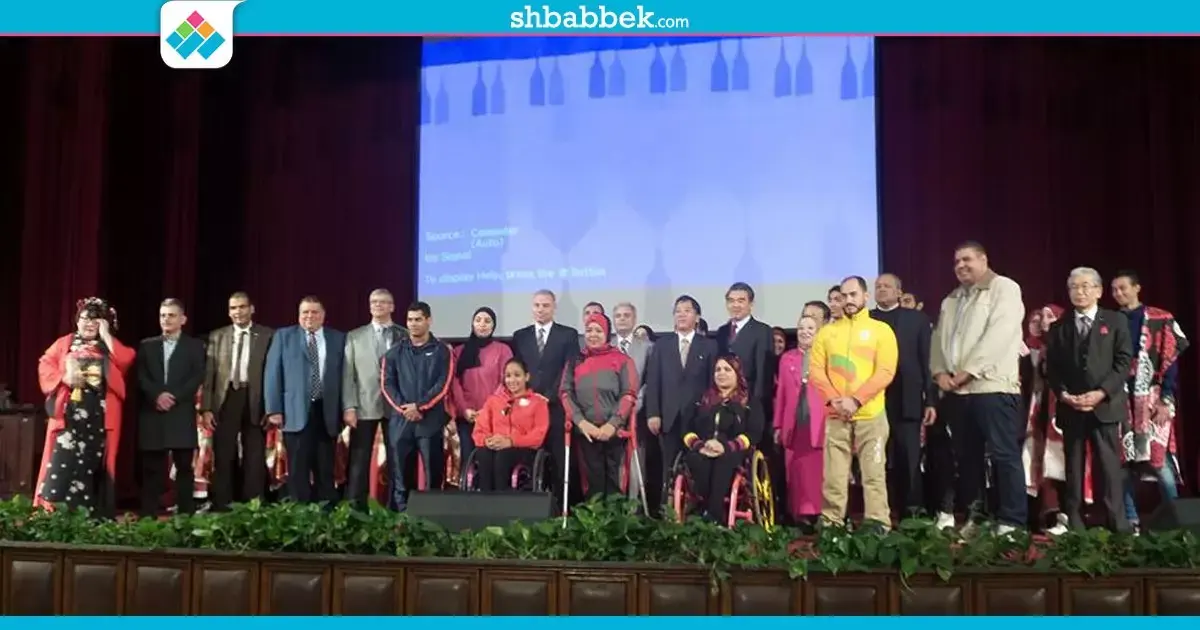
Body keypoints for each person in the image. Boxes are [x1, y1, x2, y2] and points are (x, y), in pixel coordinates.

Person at [929, 241, 1025, 534]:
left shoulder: (1004, 288)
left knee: (1003, 455)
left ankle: (1011, 521)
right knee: (967, 459)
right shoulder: (951, 299)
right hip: (958, 393)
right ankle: (977, 517)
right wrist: (939, 372)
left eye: (967, 259)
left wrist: (968, 372)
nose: (961, 266)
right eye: (957, 261)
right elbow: (938, 340)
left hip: (993, 388)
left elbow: (1000, 334)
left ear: (984, 259)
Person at [1044, 267, 1132, 533]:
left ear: (1098, 291)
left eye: (1085, 286)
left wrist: (1101, 392)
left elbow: (1123, 362)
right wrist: (1064, 395)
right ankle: (1075, 524)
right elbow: (1052, 369)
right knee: (1073, 467)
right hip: (1072, 407)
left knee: (1109, 467)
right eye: (1074, 287)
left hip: (1105, 406)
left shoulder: (1116, 321)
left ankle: (1116, 525)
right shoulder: (1059, 327)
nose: (1079, 292)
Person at [810, 276, 898, 529]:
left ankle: (877, 525)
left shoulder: (881, 331)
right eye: (844, 296)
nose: (848, 300)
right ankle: (832, 523)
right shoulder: (827, 333)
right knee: (834, 477)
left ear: (865, 296)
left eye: (853, 295)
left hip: (871, 414)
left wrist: (856, 400)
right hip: (836, 414)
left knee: (874, 474)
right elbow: (816, 371)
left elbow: (885, 371)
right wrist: (834, 400)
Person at [35, 298, 135, 516]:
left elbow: (127, 359)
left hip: (99, 415)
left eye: (95, 320)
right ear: (77, 321)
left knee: (94, 463)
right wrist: (64, 377)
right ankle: (53, 512)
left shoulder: (107, 347)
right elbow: (45, 363)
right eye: (85, 319)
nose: (89, 324)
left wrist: (106, 335)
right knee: (61, 460)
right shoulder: (65, 343)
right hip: (69, 414)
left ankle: (91, 514)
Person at [1111, 270, 1188, 531]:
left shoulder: (1159, 318)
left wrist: (1166, 397)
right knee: (1124, 462)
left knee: (1159, 461)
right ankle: (1131, 520)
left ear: (1137, 288)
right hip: (1121, 397)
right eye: (1114, 290)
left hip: (1152, 396)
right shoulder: (1110, 321)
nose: (1118, 293)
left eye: (1123, 288)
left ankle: (1177, 520)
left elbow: (1171, 361)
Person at [264, 296, 346, 505]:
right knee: (298, 468)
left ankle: (325, 511)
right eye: (305, 312)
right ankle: (300, 512)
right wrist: (274, 409)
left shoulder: (338, 338)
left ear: (323, 315)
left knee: (325, 467)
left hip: (327, 412)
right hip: (295, 412)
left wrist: (346, 408)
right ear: (299, 315)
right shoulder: (284, 336)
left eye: (314, 312)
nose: (310, 316)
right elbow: (272, 374)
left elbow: (345, 376)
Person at [869, 273, 937, 518]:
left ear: (899, 292)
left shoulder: (917, 320)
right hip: (873, 399)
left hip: (907, 399)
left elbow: (927, 361)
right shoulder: (866, 319)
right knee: (875, 459)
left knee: (909, 458)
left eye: (887, 286)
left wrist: (930, 400)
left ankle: (912, 513)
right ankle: (879, 514)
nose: (882, 289)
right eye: (878, 286)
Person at [644, 295, 717, 515]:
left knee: (698, 466)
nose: (681, 315)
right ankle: (669, 514)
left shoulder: (709, 346)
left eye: (687, 310)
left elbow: (713, 384)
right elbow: (653, 381)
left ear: (697, 317)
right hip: (669, 417)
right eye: (678, 311)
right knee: (668, 468)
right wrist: (653, 413)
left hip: (698, 418)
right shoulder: (662, 345)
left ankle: (697, 512)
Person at [201, 291, 273, 512]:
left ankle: (253, 505)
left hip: (255, 399)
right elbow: (209, 375)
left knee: (254, 454)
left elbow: (273, 374)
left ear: (252, 309)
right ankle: (222, 504)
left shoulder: (267, 335)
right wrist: (206, 408)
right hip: (226, 398)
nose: (237, 312)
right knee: (223, 454)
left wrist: (272, 408)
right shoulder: (217, 336)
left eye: (242, 307)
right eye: (233, 308)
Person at [136, 299, 206, 517]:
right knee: (151, 470)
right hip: (153, 413)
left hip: (180, 413)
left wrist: (174, 397)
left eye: (171, 315)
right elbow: (140, 376)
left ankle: (185, 517)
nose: (166, 319)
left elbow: (197, 376)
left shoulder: (195, 346)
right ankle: (148, 517)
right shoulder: (147, 345)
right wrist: (157, 395)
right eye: (163, 315)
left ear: (183, 319)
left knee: (184, 468)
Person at [382, 301, 453, 511]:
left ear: (428, 320)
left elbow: (443, 384)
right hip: (401, 422)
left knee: (433, 476)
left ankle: (432, 519)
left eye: (418, 319)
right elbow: (387, 384)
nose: (413, 324)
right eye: (410, 320)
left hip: (430, 422)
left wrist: (420, 407)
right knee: (401, 478)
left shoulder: (442, 351)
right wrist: (405, 409)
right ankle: (402, 520)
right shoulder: (394, 352)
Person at [511, 290, 580, 502]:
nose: (540, 309)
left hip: (556, 407)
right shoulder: (520, 336)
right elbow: (517, 371)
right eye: (537, 305)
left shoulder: (568, 335)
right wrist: (529, 396)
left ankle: (559, 506)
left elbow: (569, 369)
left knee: (559, 460)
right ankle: (529, 505)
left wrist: (549, 396)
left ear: (554, 308)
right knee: (528, 459)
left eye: (545, 305)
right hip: (527, 407)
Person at [341, 289, 407, 509]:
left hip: (397, 407)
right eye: (374, 302)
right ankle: (354, 510)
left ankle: (397, 510)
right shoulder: (355, 336)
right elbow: (348, 375)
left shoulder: (405, 335)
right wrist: (349, 406)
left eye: (383, 302)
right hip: (364, 406)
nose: (378, 305)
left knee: (397, 461)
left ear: (392, 307)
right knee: (359, 462)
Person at [561, 313, 638, 499]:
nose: (593, 335)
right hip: (586, 432)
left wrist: (612, 424)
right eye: (589, 330)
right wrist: (581, 422)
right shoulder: (575, 361)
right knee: (591, 485)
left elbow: (628, 394)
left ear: (607, 334)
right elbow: (565, 393)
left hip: (615, 433)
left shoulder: (623, 360)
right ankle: (593, 517)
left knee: (615, 483)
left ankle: (616, 516)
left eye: (598, 330)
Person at [682, 354, 764, 522]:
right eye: (718, 369)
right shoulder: (701, 399)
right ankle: (707, 508)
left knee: (723, 460)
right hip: (703, 449)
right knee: (697, 460)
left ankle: (713, 514)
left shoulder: (749, 402)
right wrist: (700, 446)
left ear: (737, 373)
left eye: (727, 369)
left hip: (734, 451)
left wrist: (725, 447)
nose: (721, 373)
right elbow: (685, 428)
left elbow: (754, 432)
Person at [1020, 304, 1075, 534]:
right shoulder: (1035, 347)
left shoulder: (1067, 342)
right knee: (1036, 461)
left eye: (1050, 316)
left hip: (1060, 408)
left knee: (1059, 461)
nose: (1044, 320)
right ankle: (1040, 516)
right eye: (1041, 316)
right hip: (1038, 408)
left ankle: (1064, 515)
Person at [773, 314, 827, 525]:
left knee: (817, 471)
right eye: (801, 328)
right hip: (794, 422)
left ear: (819, 332)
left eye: (810, 328)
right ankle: (798, 515)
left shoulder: (826, 356)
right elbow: (781, 394)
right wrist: (778, 425)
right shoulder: (787, 358)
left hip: (818, 422)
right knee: (795, 470)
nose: (805, 332)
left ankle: (818, 513)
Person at [450, 306, 512, 480]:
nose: (482, 324)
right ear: (472, 324)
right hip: (467, 418)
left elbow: (506, 382)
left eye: (487, 321)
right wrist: (464, 409)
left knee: (491, 463)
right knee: (467, 461)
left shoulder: (503, 350)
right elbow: (454, 384)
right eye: (478, 320)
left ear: (493, 325)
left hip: (494, 418)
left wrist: (488, 410)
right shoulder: (459, 352)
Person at [471, 358, 550, 491]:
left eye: (517, 375)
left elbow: (538, 436)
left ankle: (502, 499)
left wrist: (511, 441)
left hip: (523, 449)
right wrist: (487, 440)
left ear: (527, 377)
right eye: (508, 376)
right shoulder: (493, 401)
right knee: (484, 453)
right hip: (495, 446)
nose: (512, 380)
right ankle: (485, 499)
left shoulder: (538, 402)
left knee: (503, 455)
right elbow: (479, 430)